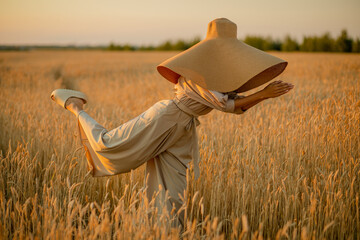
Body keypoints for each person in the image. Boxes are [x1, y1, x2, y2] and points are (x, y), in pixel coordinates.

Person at [51, 18, 294, 231]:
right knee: (110, 145)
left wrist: (264, 95)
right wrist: (264, 93)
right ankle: (74, 105)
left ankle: (164, 233)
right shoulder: (198, 72)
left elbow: (237, 106)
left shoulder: (219, 75)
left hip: (182, 131)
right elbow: (225, 105)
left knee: (173, 194)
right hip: (165, 119)